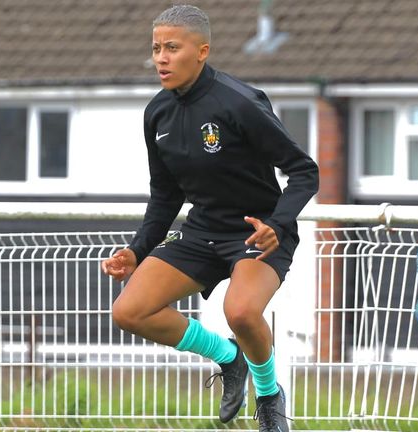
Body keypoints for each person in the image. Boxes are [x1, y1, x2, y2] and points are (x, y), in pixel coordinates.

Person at [101, 5, 318, 432]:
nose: (161, 58)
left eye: (172, 48)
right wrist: (136, 249)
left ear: (202, 51)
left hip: (257, 233)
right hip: (202, 232)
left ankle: (270, 396)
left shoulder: (241, 103)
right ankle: (228, 356)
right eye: (156, 48)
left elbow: (304, 171)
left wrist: (278, 224)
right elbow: (165, 194)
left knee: (240, 312)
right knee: (129, 311)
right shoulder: (156, 114)